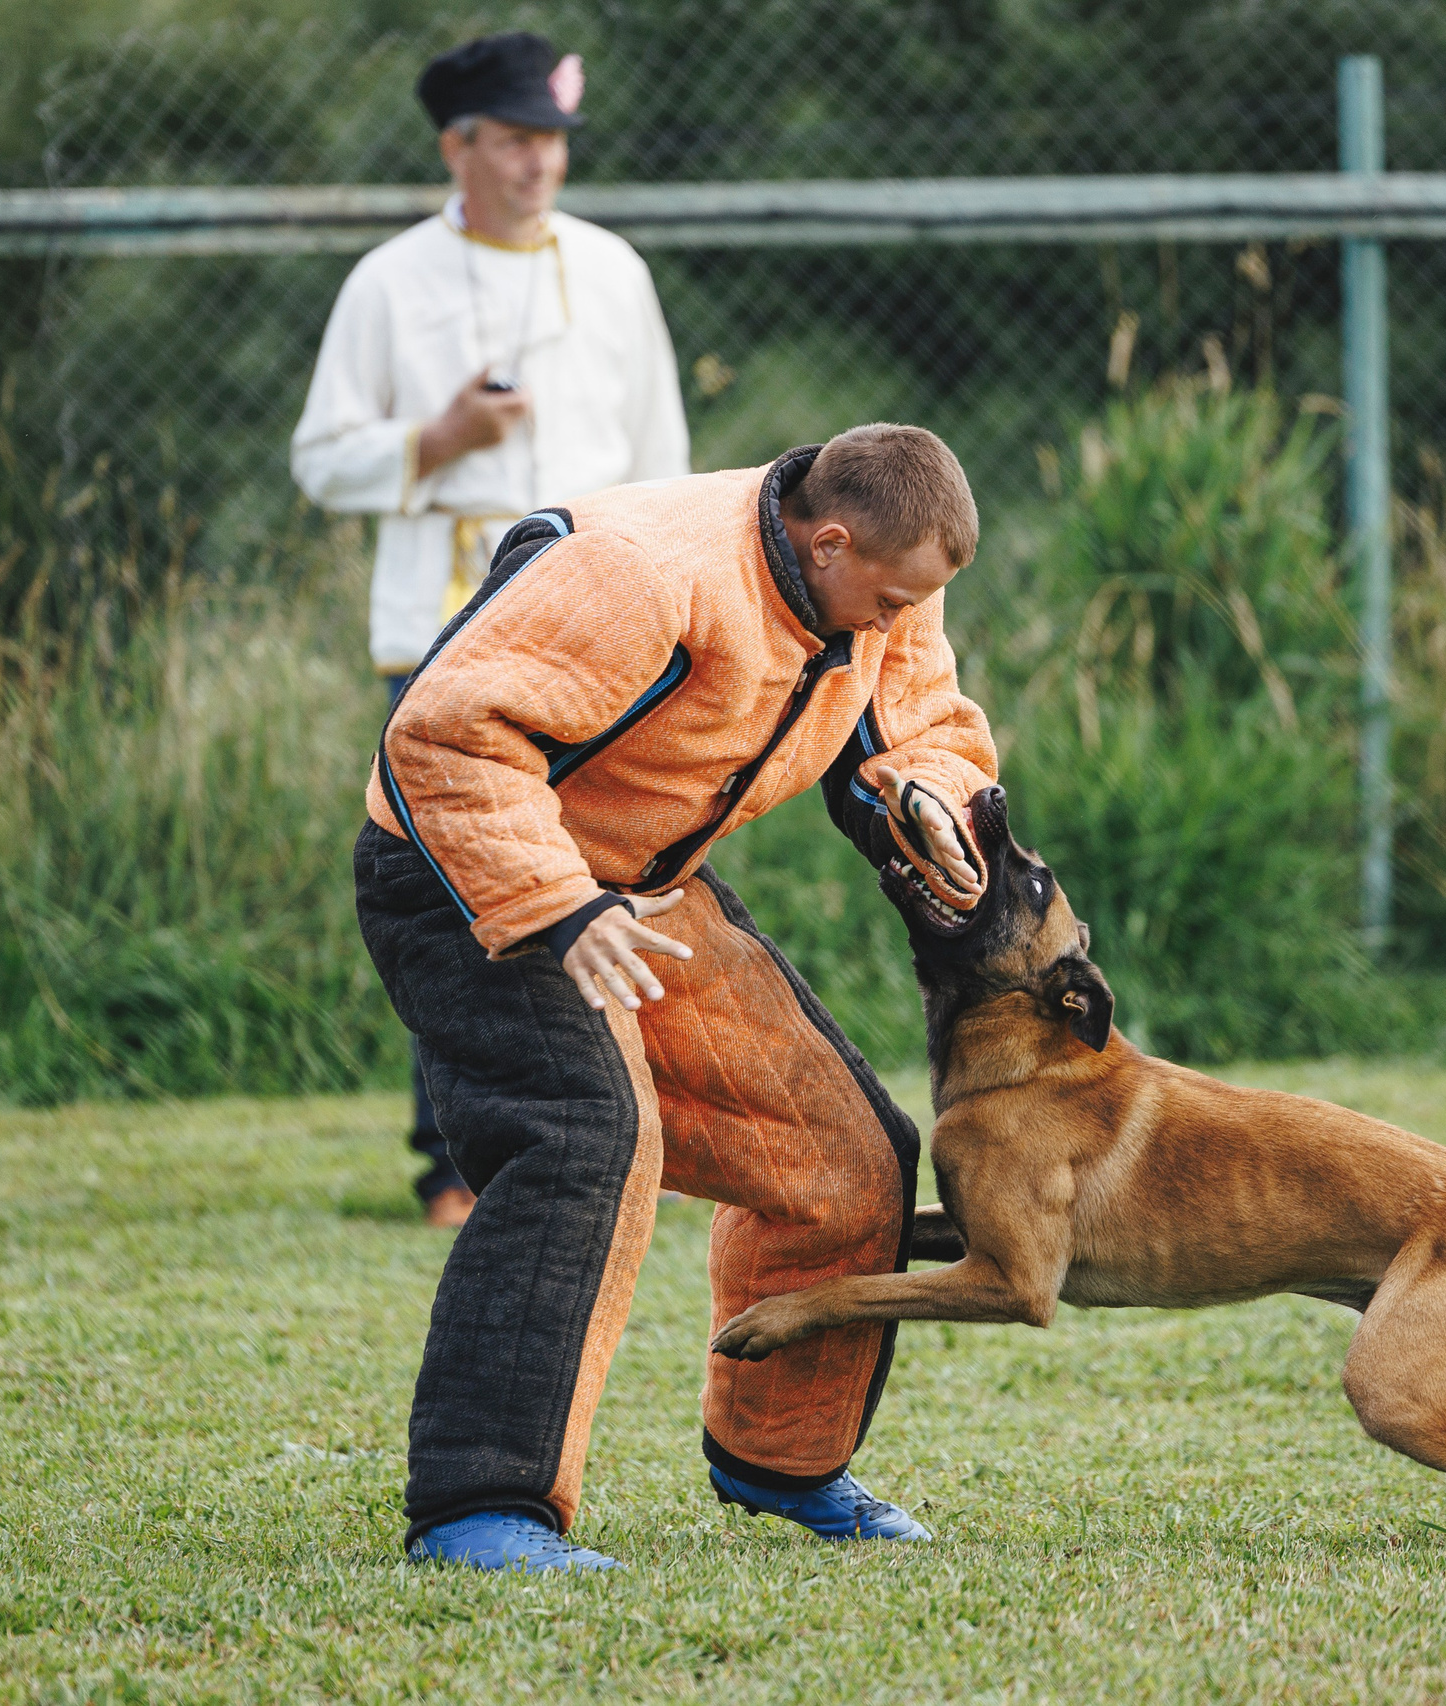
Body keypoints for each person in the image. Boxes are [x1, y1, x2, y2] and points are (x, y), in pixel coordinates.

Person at [356, 425, 997, 1571]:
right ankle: (479, 1507)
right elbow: (443, 735)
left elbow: (915, 725)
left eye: (919, 603)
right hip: (465, 872)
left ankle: (780, 1459)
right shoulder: (641, 572)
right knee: (583, 1134)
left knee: (844, 1155)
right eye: (891, 598)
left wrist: (932, 799)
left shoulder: (883, 583)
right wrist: (558, 903)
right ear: (831, 537)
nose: (898, 624)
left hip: (642, 881)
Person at [293, 31, 689, 1228]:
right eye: (514, 140)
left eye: (551, 140)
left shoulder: (613, 269)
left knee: (603, 871)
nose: (538, 163)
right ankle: (454, 1162)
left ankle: (625, 1125)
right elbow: (320, 460)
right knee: (457, 888)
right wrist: (433, 444)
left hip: (595, 624)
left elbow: (660, 459)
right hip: (445, 622)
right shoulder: (388, 280)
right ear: (457, 145)